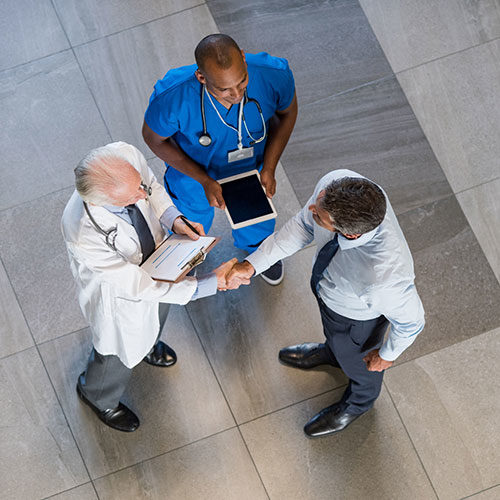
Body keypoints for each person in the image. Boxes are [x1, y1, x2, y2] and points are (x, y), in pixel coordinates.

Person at [61, 141, 247, 432]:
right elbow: (139, 286)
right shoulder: (83, 232)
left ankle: (148, 344)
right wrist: (209, 284)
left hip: (160, 261)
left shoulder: (124, 156)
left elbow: (152, 187)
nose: (141, 196)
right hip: (122, 296)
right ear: (100, 202)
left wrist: (175, 220)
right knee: (117, 350)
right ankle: (98, 395)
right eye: (130, 199)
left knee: (158, 314)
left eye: (138, 187)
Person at [227, 170, 425, 437]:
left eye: (320, 216)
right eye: (318, 203)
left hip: (356, 320)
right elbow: (302, 225)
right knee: (336, 339)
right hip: (330, 296)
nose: (311, 209)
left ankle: (358, 403)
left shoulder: (385, 278)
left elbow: (412, 322)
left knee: (360, 364)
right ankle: (333, 354)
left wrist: (386, 356)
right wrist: (252, 265)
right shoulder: (338, 183)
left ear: (349, 234)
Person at [142, 33, 298, 286]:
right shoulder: (172, 97)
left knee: (256, 215)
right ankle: (188, 256)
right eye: (224, 89)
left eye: (242, 82)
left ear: (244, 61)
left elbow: (288, 112)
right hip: (193, 174)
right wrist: (203, 180)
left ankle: (257, 250)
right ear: (201, 77)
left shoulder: (274, 74)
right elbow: (153, 139)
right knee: (190, 220)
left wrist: (269, 166)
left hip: (250, 166)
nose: (236, 94)